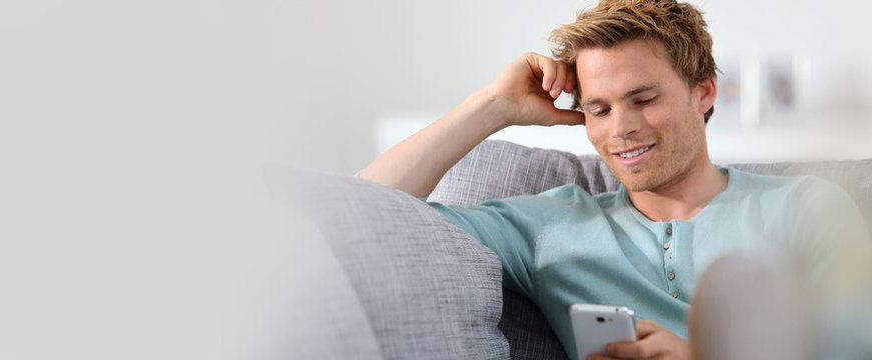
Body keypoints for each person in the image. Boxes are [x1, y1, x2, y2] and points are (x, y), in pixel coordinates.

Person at [359, 0, 872, 359]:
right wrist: (492, 107)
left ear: (704, 93)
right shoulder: (546, 227)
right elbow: (363, 212)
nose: (622, 128)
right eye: (599, 109)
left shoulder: (808, 204)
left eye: (643, 99)